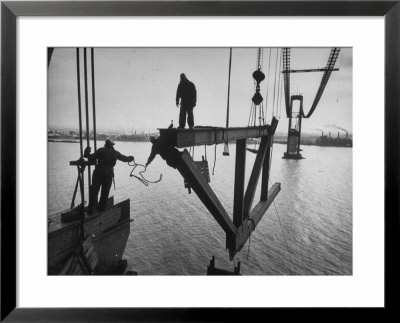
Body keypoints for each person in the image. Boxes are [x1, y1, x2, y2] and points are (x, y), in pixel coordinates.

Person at [84, 139, 134, 213]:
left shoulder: (100, 150)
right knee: (105, 192)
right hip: (108, 174)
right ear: (112, 145)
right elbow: (124, 158)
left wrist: (87, 152)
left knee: (94, 190)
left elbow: (91, 157)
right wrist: (131, 158)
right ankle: (100, 209)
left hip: (98, 172)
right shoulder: (115, 153)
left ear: (105, 145)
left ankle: (91, 207)